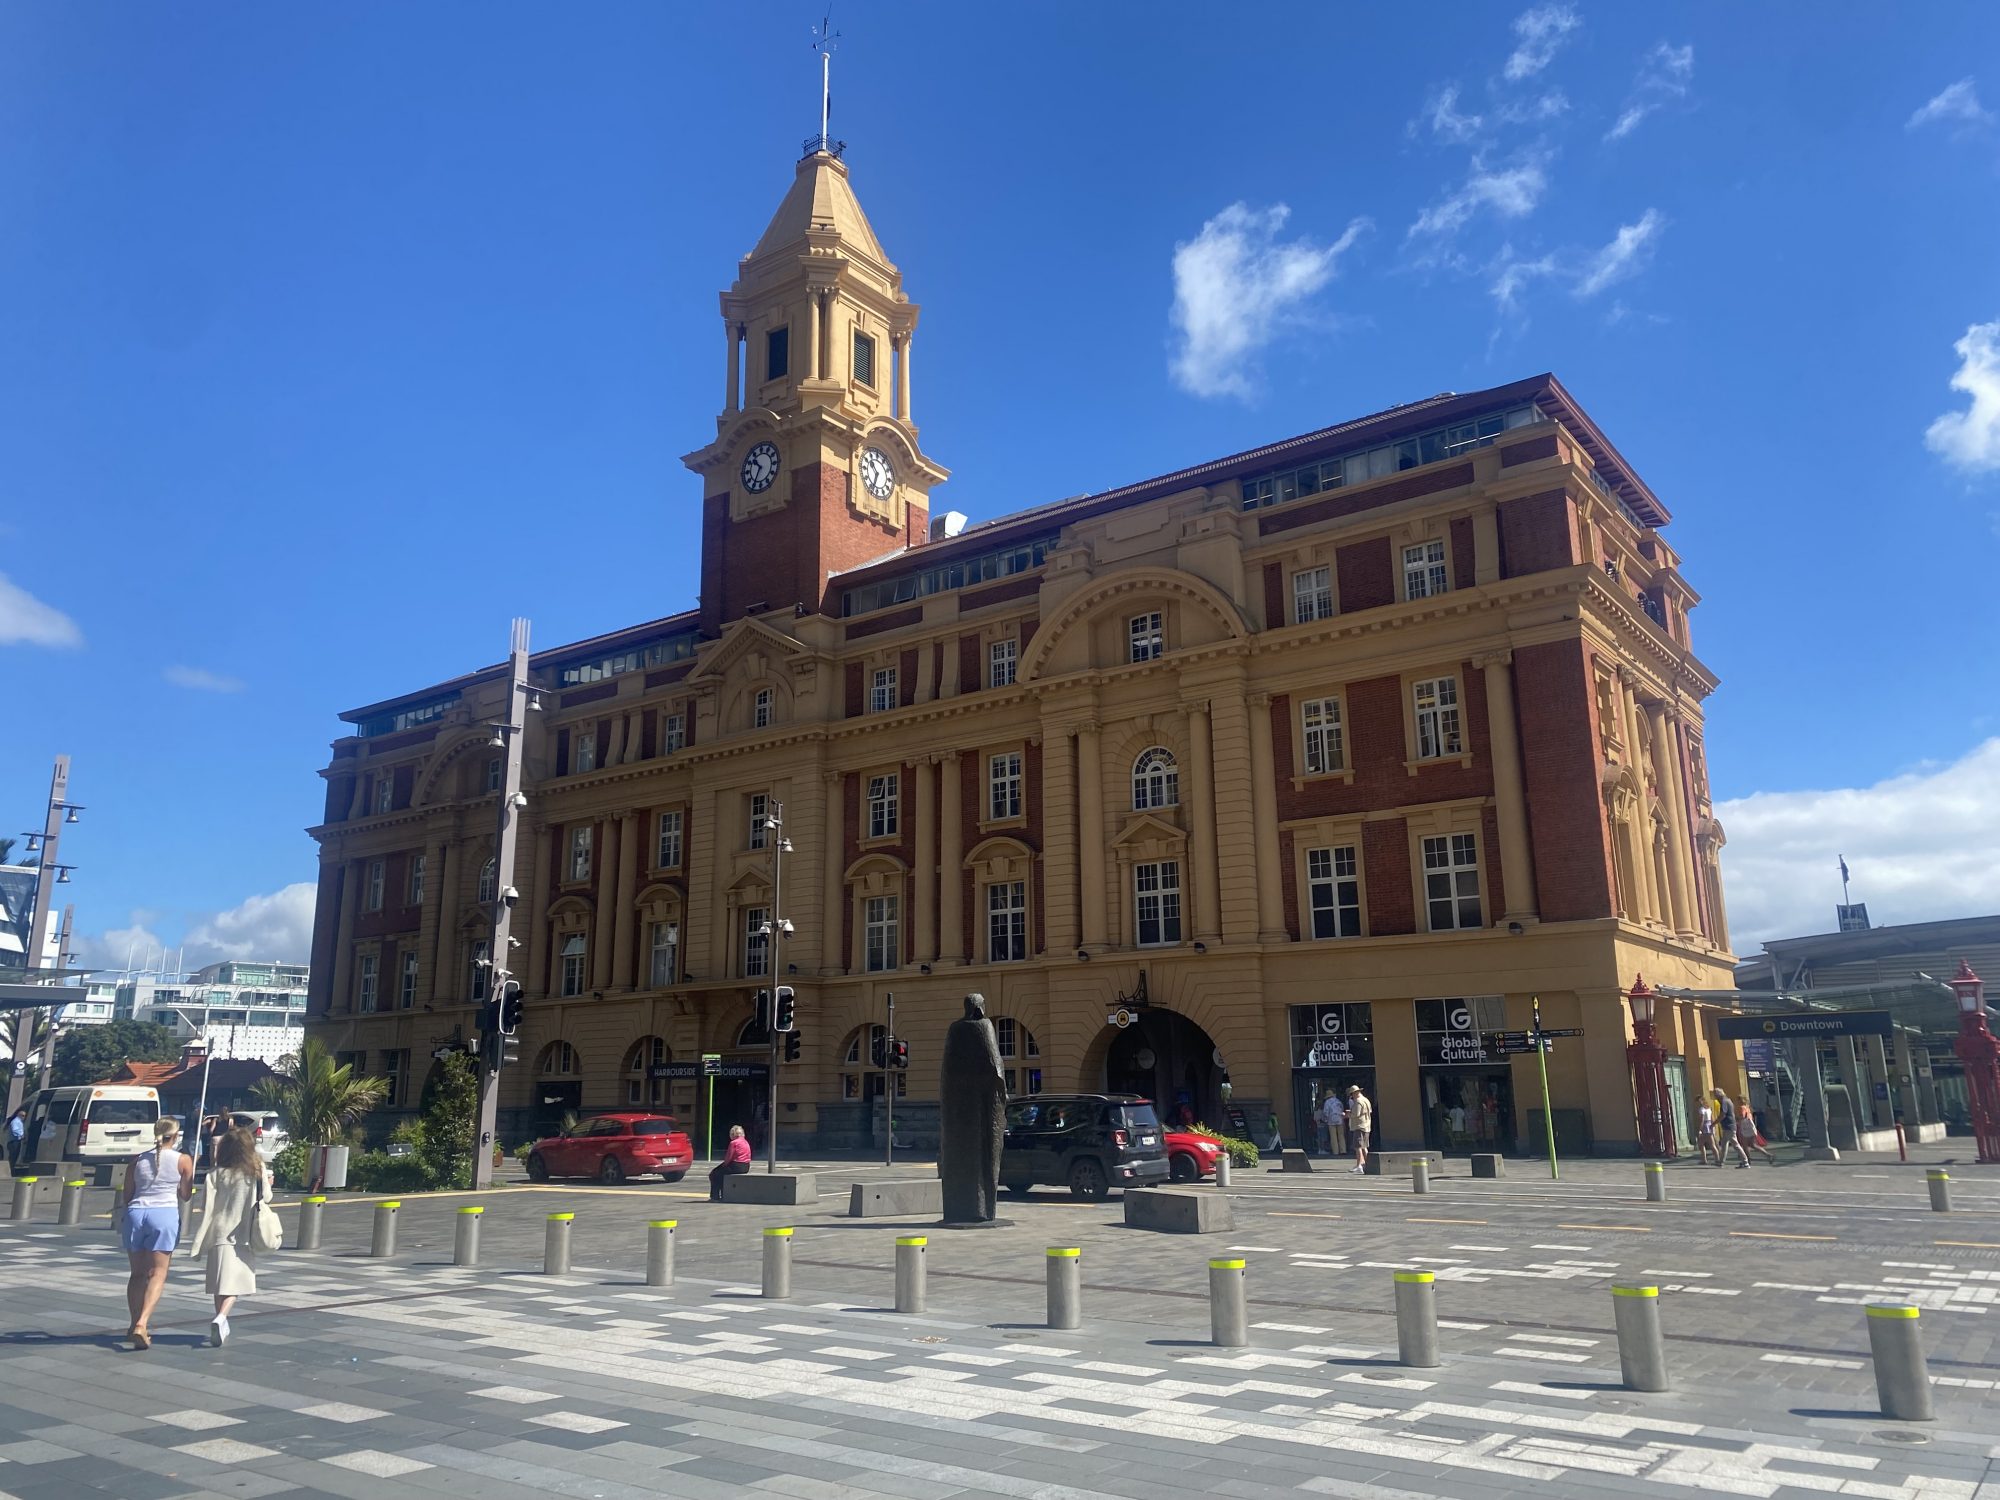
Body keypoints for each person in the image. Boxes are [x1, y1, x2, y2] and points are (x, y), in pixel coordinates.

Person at [185, 1126, 270, 1346]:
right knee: (236, 1284)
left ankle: (220, 1321)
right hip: (242, 1233)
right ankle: (221, 1317)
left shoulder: (215, 1174)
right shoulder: (256, 1170)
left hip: (218, 1232)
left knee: (219, 1283)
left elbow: (206, 1205)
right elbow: (266, 1198)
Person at [119, 1118, 194, 1350]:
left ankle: (133, 1323)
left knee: (137, 1274)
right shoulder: (183, 1159)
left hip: (136, 1214)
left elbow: (127, 1194)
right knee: (158, 1273)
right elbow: (185, 1195)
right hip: (163, 1214)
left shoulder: (138, 1160)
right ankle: (143, 1323)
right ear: (176, 1135)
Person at [709, 1124, 752, 1201]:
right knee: (720, 1173)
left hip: (736, 1165)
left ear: (733, 1134)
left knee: (714, 1174)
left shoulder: (734, 1143)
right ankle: (722, 1194)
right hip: (746, 1166)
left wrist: (722, 1165)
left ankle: (715, 1196)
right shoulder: (746, 1142)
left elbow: (729, 1158)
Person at [1735, 1095, 1775, 1165]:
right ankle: (1768, 1155)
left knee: (1745, 1145)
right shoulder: (1748, 1108)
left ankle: (1748, 1160)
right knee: (1752, 1145)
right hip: (1751, 1127)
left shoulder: (1742, 1107)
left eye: (1738, 1100)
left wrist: (1737, 1119)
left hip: (1746, 1127)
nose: (1737, 1102)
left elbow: (1742, 1116)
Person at [1715, 1092, 1749, 1168]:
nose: (1716, 1098)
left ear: (1719, 1095)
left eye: (1716, 1096)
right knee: (1724, 1145)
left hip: (1729, 1126)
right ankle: (1721, 1162)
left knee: (1735, 1144)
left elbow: (1723, 1114)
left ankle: (1745, 1161)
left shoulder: (1724, 1102)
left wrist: (1714, 1123)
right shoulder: (1728, 1100)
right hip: (1728, 1126)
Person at [1346, 1085, 1373, 1174]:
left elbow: (1356, 1114)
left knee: (1357, 1146)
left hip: (1359, 1126)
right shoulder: (1366, 1100)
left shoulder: (1358, 1101)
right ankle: (1368, 1164)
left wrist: (1347, 1114)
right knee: (1364, 1146)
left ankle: (1359, 1165)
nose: (1352, 1096)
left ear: (1355, 1093)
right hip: (1366, 1125)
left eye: (1352, 1094)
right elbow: (1369, 1111)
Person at [1318, 1090, 1346, 1158]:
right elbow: (1342, 1108)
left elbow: (1326, 1112)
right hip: (1340, 1119)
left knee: (1333, 1136)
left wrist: (1325, 1119)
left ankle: (1335, 1151)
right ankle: (1343, 1150)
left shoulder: (1327, 1102)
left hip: (1331, 1120)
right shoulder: (1338, 1101)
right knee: (1341, 1135)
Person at [1694, 1097, 1718, 1165]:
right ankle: (1716, 1158)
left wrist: (1699, 1129)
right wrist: (1713, 1126)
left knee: (1702, 1144)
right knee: (1710, 1144)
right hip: (1709, 1125)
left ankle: (1705, 1159)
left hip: (1705, 1127)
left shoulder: (1701, 1109)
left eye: (1699, 1102)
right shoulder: (1709, 1108)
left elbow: (1701, 1120)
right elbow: (1712, 1118)